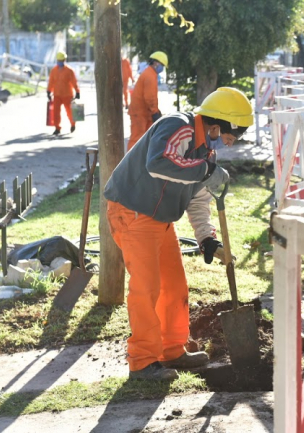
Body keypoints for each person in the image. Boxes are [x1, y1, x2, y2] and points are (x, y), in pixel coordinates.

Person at [103, 87, 253, 381]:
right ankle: (142, 362)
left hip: (159, 219)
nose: (227, 142)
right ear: (218, 123)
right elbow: (159, 163)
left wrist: (206, 238)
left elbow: (197, 197)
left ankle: (171, 350)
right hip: (132, 212)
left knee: (174, 286)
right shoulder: (179, 126)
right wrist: (207, 170)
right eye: (230, 135)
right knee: (147, 288)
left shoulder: (204, 150)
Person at [127, 51, 168, 151]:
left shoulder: (150, 74)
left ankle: (140, 162)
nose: (162, 68)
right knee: (137, 138)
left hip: (144, 112)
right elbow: (150, 97)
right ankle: (131, 163)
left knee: (145, 138)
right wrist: (155, 112)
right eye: (162, 65)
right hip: (140, 112)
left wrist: (155, 112)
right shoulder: (150, 76)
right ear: (156, 63)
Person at [47, 52, 79, 136]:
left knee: (70, 111)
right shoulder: (54, 71)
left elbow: (74, 82)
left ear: (64, 60)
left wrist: (77, 91)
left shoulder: (69, 70)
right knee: (56, 112)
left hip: (67, 95)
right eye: (58, 60)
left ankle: (73, 124)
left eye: (61, 60)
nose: (60, 62)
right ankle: (57, 128)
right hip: (57, 94)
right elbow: (51, 82)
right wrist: (48, 91)